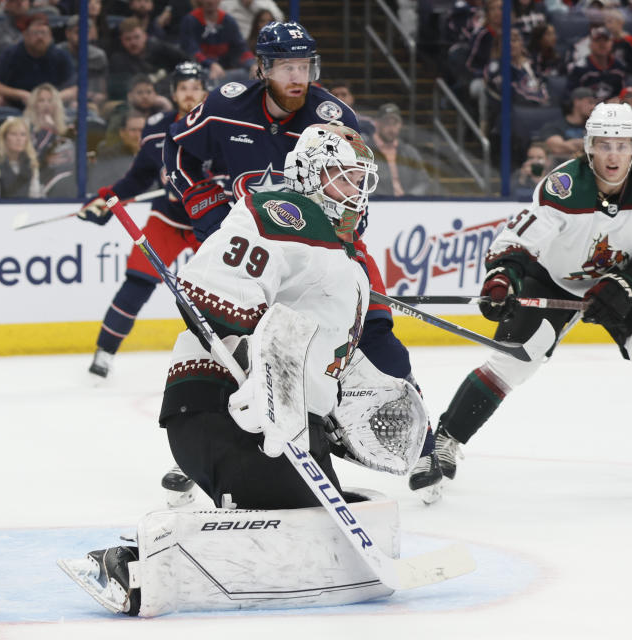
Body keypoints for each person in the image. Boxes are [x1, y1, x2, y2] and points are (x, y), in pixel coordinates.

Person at [59, 122, 430, 617]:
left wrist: (350, 403)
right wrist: (260, 369)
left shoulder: (339, 255)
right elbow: (212, 291)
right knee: (307, 533)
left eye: (360, 178)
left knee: (335, 534)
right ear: (309, 175)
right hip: (225, 412)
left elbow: (317, 354)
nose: (356, 191)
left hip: (284, 427)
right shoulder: (285, 213)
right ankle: (132, 565)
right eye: (343, 176)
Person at [412, 102, 632, 498]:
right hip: (553, 280)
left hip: (624, 279)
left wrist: (623, 286)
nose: (613, 155)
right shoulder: (563, 187)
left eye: (622, 145)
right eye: (604, 145)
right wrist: (502, 280)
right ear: (588, 147)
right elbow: (516, 243)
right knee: (514, 360)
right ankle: (446, 439)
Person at [163, 22, 428, 499]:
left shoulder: (330, 116)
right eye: (286, 66)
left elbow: (352, 190)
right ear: (264, 68)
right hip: (258, 236)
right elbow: (178, 150)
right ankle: (216, 446)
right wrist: (206, 210)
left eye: (304, 66)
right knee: (232, 328)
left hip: (323, 244)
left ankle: (422, 444)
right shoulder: (226, 107)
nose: (297, 77)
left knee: (374, 332)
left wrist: (337, 256)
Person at [78, 62, 209, 380]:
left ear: (205, 91)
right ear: (174, 93)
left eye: (195, 88)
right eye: (183, 88)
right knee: (138, 279)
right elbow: (138, 178)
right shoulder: (156, 130)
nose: (189, 94)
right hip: (168, 218)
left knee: (225, 289)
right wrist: (108, 200)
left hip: (211, 217)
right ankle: (104, 352)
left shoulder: (219, 124)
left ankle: (232, 354)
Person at [0, 15, 75, 108]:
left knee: (76, 104)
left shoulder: (60, 55)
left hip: (52, 106)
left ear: (50, 36)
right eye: (35, 33)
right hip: (16, 105)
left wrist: (55, 97)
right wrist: (20, 94)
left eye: (44, 33)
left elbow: (74, 89)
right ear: (25, 35)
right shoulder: (11, 54)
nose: (40, 37)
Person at [108, 17, 187, 102]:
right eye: (128, 39)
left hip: (169, 96)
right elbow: (122, 91)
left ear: (145, 36)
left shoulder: (159, 48)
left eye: (136, 37)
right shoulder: (118, 61)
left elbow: (188, 62)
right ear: (122, 41)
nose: (133, 43)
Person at [178, 0, 256, 84]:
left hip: (226, 72)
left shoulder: (228, 21)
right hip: (200, 72)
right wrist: (211, 65)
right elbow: (191, 50)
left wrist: (252, 64)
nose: (210, 1)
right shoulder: (190, 20)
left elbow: (241, 49)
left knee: (250, 74)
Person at [369, 103, 436, 196]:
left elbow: (423, 180)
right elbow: (359, 182)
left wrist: (410, 197)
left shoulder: (409, 151)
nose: (391, 128)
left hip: (407, 205)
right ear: (377, 123)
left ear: (400, 125)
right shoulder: (365, 150)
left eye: (395, 123)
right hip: (378, 204)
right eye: (386, 123)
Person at [22, 83, 76, 197]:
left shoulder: (67, 129)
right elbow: (31, 159)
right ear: (34, 104)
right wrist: (47, 131)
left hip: (65, 178)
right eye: (41, 100)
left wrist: (55, 131)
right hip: (37, 180)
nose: (46, 104)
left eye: (50, 100)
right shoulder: (25, 128)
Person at [0, 116, 41, 198]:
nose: (19, 139)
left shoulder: (31, 163)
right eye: (13, 134)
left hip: (26, 209)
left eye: (23, 134)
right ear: (4, 138)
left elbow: (35, 197)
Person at [57, 15, 109, 116]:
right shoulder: (57, 53)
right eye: (77, 32)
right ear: (68, 33)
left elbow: (102, 93)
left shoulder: (98, 56)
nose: (82, 36)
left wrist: (88, 97)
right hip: (60, 102)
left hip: (89, 103)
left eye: (86, 32)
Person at [566, 25, 628, 102]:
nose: (602, 44)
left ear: (611, 43)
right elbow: (571, 98)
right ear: (590, 44)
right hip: (587, 110)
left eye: (606, 40)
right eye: (597, 40)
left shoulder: (619, 67)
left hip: (613, 110)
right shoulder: (579, 68)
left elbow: (624, 95)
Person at [536, 86, 597, 163]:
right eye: (590, 102)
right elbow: (558, 148)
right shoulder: (554, 127)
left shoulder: (595, 128)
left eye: (595, 103)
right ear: (577, 102)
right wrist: (593, 144)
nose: (593, 107)